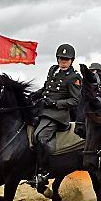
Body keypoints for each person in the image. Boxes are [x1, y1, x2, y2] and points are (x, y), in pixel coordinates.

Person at [32, 43, 83, 191]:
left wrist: (55, 103)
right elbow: (47, 88)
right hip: (43, 109)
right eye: (61, 59)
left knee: (40, 136)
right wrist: (35, 95)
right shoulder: (53, 70)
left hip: (58, 115)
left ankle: (44, 172)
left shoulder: (74, 77)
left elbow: (75, 100)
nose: (63, 62)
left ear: (71, 60)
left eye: (66, 60)